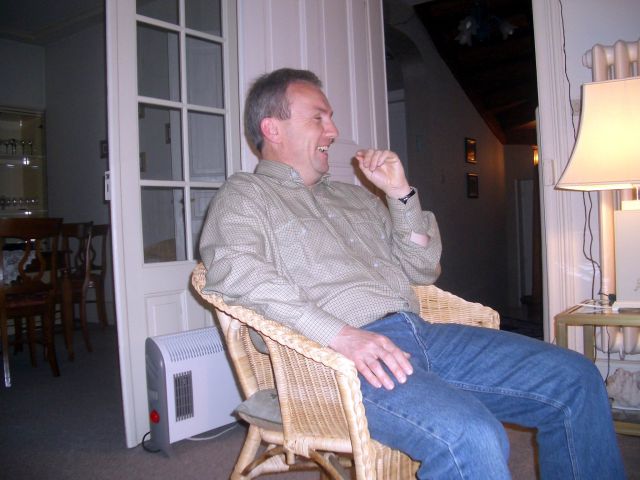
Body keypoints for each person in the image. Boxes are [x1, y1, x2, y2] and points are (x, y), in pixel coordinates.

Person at [199, 68, 624, 479]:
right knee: (471, 435)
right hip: (335, 361)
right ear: (272, 129)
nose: (333, 131)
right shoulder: (245, 195)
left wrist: (400, 193)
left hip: (420, 334)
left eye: (331, 118)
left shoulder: (355, 198)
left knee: (576, 379)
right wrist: (341, 335)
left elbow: (422, 268)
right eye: (319, 118)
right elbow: (239, 274)